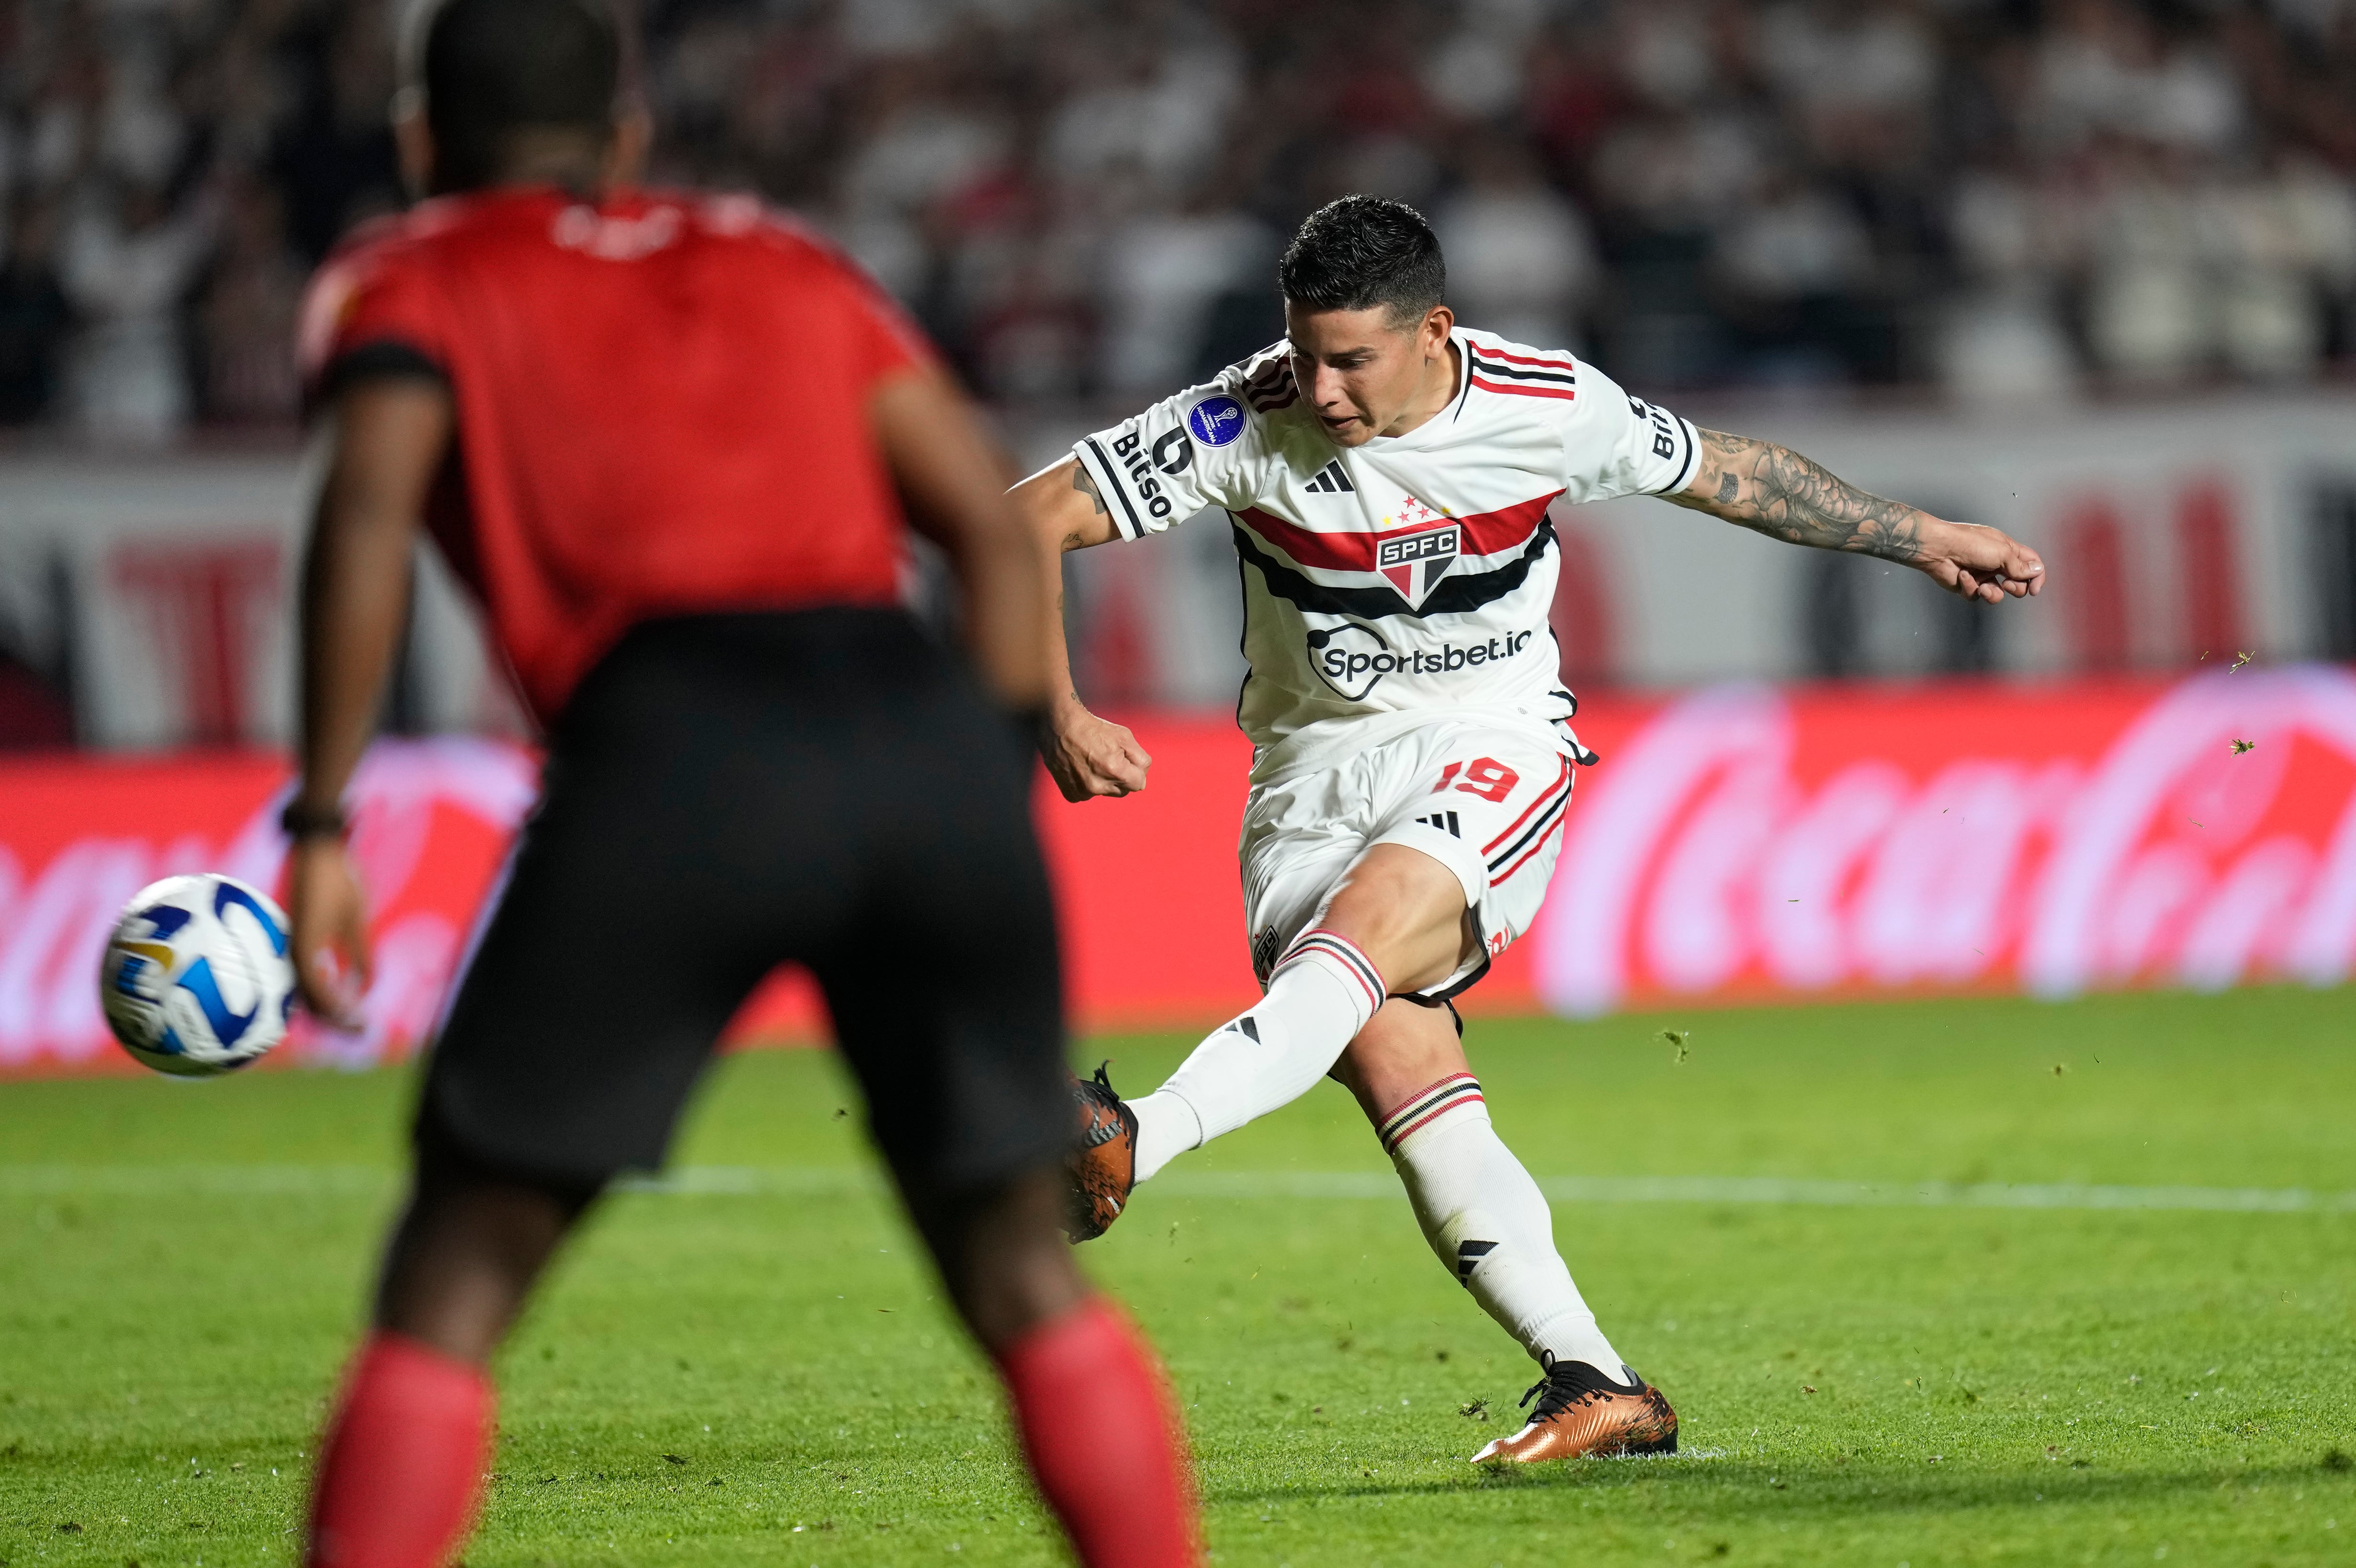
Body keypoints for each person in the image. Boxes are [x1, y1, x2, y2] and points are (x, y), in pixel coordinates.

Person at [283, 3, 1200, 1565]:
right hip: (914, 732)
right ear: (629, 135)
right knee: (1017, 1266)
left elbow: (367, 513)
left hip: (677, 744)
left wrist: (320, 820)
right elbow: (990, 535)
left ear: (420, 140)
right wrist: (974, 788)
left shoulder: (409, 276)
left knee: (459, 1268)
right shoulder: (786, 261)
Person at [1025, 194, 2045, 1466]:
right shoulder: (1244, 417)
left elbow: (1732, 474)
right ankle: (1598, 1381)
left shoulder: (1545, 403)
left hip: (1492, 743)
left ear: (1434, 332)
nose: (1322, 388)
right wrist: (1054, 707)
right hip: (1306, 779)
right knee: (1397, 1065)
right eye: (1305, 352)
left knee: (1359, 940)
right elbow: (1024, 521)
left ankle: (1134, 1138)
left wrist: (1923, 535)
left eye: (1352, 360)